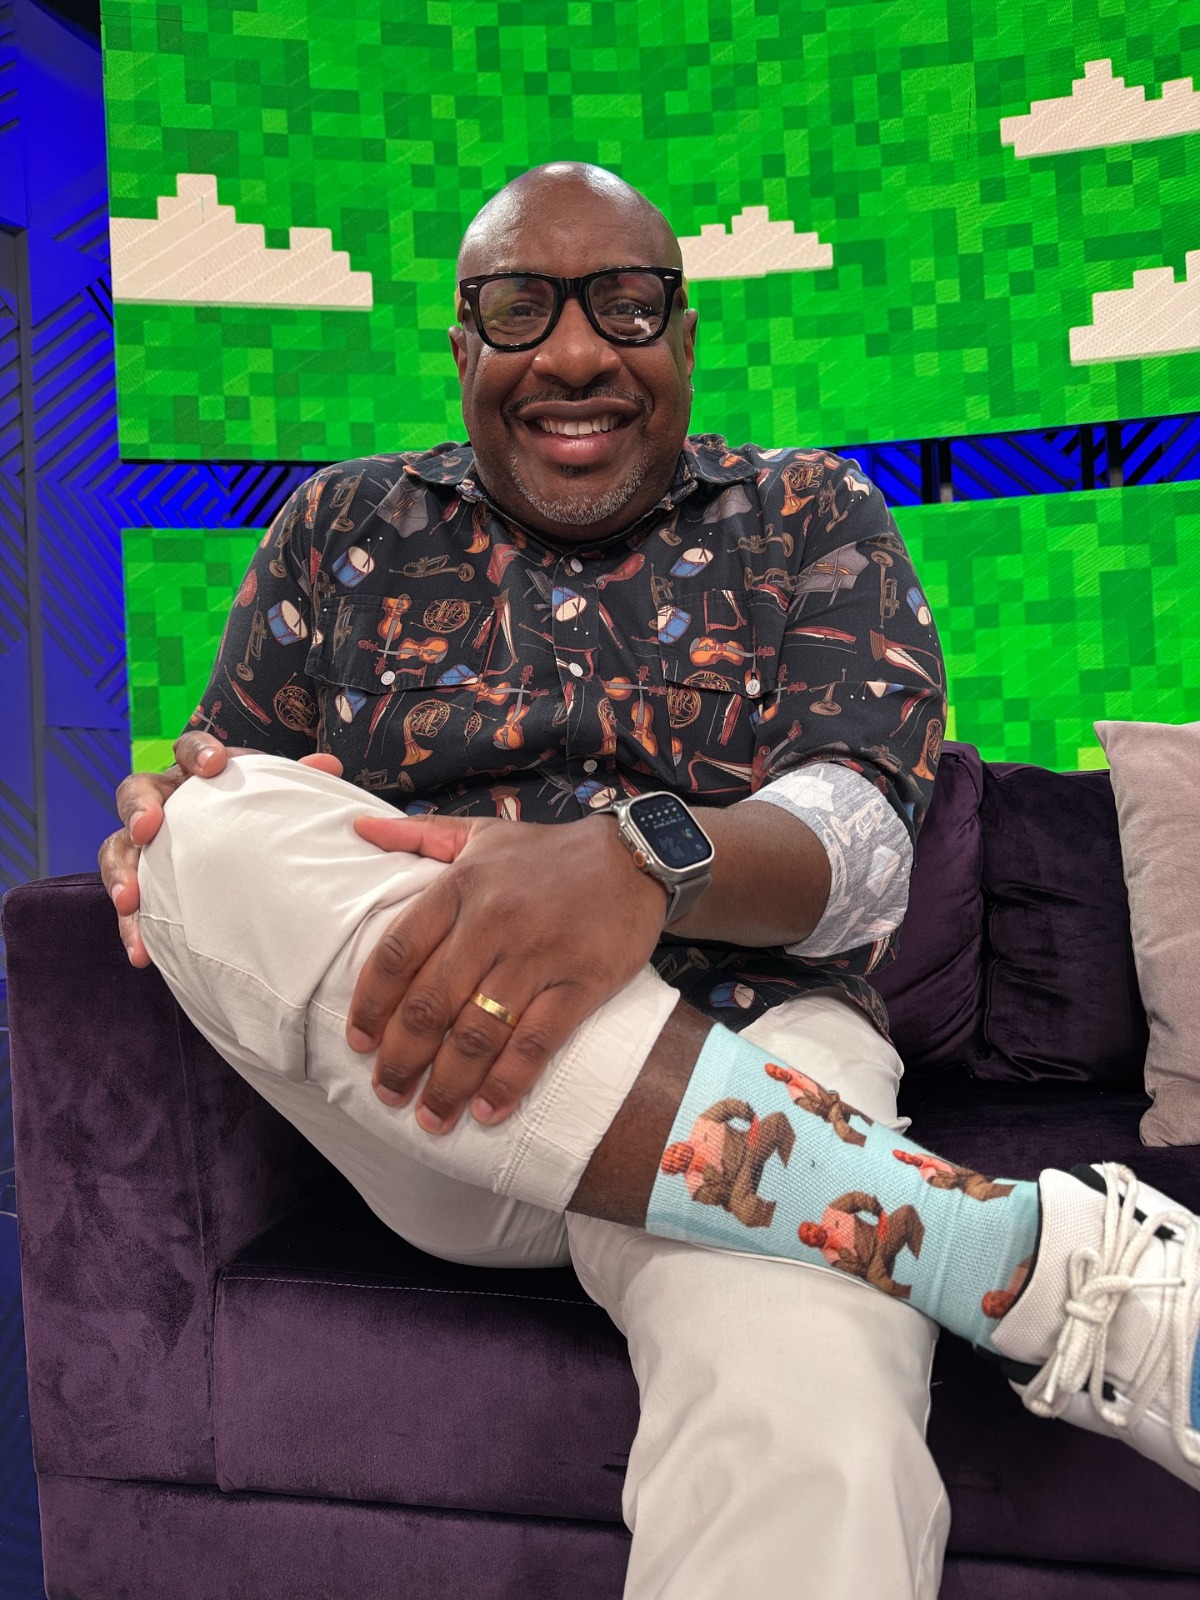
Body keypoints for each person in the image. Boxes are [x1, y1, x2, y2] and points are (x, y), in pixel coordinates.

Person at [99, 163, 1200, 1600]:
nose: (574, 353)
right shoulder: (339, 527)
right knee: (206, 827)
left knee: (814, 1418)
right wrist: (171, 822)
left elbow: (861, 843)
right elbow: (229, 791)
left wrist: (644, 863)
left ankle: (934, 1236)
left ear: (682, 334)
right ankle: (1006, 1254)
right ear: (463, 345)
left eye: (624, 304)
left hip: (765, 1036)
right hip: (437, 1075)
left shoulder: (809, 512)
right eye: (520, 307)